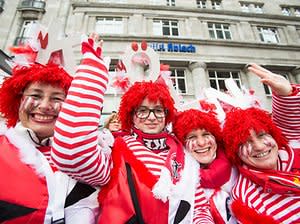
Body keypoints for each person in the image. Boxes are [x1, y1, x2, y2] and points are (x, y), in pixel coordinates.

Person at [52, 35, 214, 223]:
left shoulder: (185, 154)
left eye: (158, 110)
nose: (151, 117)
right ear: (131, 115)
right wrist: (92, 71)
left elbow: (199, 208)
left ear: (167, 114)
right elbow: (72, 153)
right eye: (142, 111)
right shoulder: (114, 148)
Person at [0, 62, 100, 223]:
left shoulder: (89, 157)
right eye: (35, 96)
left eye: (56, 98)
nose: (45, 106)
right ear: (18, 101)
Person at [222, 63, 300, 224]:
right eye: (244, 142)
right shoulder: (246, 198)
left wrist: (287, 94)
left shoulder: (293, 151)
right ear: (234, 151)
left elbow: (291, 124)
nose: (258, 146)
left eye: (262, 134)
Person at [173, 109, 237, 224]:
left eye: (206, 134)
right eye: (192, 137)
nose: (201, 143)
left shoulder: (237, 165)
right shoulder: (180, 182)